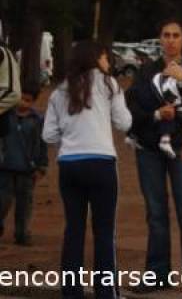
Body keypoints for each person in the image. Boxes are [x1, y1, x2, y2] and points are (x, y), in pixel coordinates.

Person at [125, 18, 182, 293]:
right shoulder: (145, 70)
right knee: (156, 213)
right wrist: (156, 112)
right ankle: (157, 273)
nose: (171, 39)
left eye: (176, 35)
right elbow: (132, 105)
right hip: (150, 148)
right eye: (166, 35)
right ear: (160, 39)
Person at [43, 41, 132, 299]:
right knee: (104, 231)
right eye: (105, 56)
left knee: (74, 230)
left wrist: (69, 138)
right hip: (102, 162)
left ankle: (71, 293)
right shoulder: (108, 84)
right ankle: (106, 293)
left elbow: (48, 134)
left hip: (69, 164)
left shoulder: (60, 90)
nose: (108, 61)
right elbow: (124, 122)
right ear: (96, 58)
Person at [0, 85, 48, 245]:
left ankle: (22, 233)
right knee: (3, 200)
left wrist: (42, 166)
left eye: (28, 100)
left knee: (24, 204)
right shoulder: (5, 116)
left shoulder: (37, 120)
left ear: (34, 101)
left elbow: (42, 144)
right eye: (21, 98)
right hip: (5, 167)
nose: (23, 103)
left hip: (27, 169)